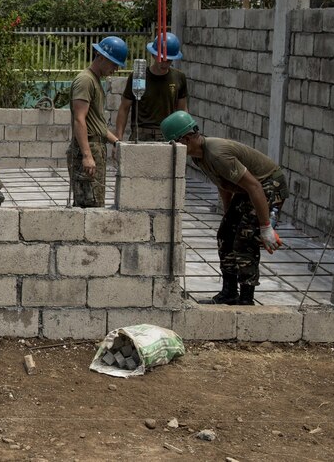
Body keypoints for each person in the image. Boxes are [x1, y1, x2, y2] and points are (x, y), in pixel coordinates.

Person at [162, 111, 287, 305]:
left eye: (175, 144)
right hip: (248, 189)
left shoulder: (217, 154)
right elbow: (224, 184)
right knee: (225, 234)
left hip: (268, 185)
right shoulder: (199, 156)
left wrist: (265, 227)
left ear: (185, 139)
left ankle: (246, 299)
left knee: (245, 239)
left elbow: (254, 186)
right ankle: (229, 292)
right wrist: (228, 215)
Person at [67, 36, 126, 207]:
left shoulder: (95, 81)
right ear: (101, 57)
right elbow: (79, 119)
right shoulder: (85, 80)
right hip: (88, 148)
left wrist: (117, 143)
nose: (115, 69)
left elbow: (98, 125)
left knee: (96, 203)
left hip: (96, 148)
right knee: (89, 206)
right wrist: (86, 155)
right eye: (113, 64)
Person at [114, 32, 189, 142]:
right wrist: (118, 138)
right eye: (161, 58)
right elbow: (124, 108)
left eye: (168, 60)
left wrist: (183, 136)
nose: (164, 63)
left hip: (167, 135)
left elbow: (182, 110)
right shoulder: (138, 76)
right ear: (153, 55)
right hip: (141, 134)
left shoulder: (179, 77)